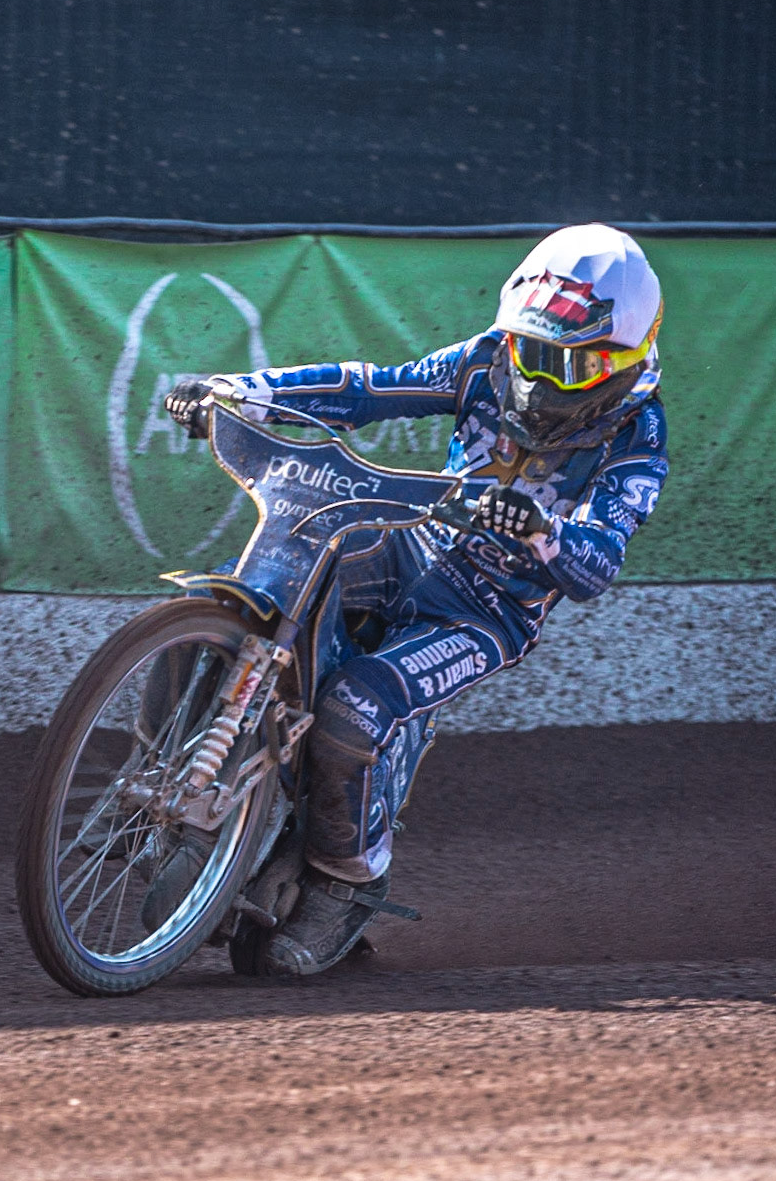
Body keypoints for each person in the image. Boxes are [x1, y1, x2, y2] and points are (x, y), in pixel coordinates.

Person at [164, 223, 668, 975]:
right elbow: (369, 389)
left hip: (488, 612)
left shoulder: (639, 437)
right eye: (534, 353)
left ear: (628, 358)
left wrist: (540, 530)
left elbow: (596, 566)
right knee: (255, 594)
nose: (544, 377)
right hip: (412, 545)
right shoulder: (484, 361)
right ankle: (191, 772)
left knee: (354, 707)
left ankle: (348, 880)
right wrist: (245, 394)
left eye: (575, 362)